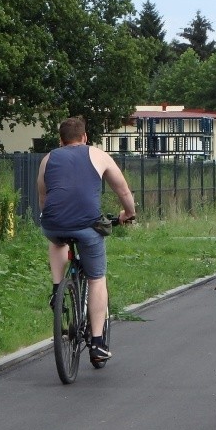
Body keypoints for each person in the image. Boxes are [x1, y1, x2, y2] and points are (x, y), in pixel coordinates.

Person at [37, 116, 136, 361]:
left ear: (60, 140)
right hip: (86, 226)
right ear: (84, 137)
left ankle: (57, 288)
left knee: (57, 241)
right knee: (96, 278)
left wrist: (50, 219)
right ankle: (98, 344)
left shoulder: (48, 158)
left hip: (53, 223)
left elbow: (44, 197)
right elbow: (122, 190)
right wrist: (129, 214)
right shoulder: (98, 155)